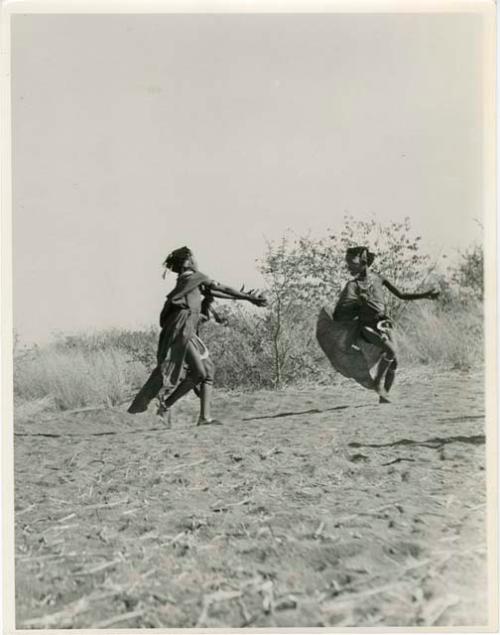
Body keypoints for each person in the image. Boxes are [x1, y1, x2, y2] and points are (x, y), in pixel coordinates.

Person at [127, 246, 267, 424]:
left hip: (184, 329)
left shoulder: (189, 281)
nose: (195, 260)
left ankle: (199, 416)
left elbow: (213, 291)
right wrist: (250, 298)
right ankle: (171, 408)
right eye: (193, 258)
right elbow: (221, 287)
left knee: (207, 372)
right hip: (181, 329)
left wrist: (246, 298)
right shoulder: (195, 277)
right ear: (187, 262)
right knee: (200, 372)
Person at [332, 246, 439, 402]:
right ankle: (377, 383)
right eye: (347, 262)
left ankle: (384, 396)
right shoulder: (352, 286)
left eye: (351, 262)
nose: (348, 266)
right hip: (366, 327)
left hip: (384, 323)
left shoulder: (378, 278)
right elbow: (340, 312)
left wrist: (425, 294)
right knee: (390, 350)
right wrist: (358, 303)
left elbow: (401, 295)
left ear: (363, 260)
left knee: (394, 361)